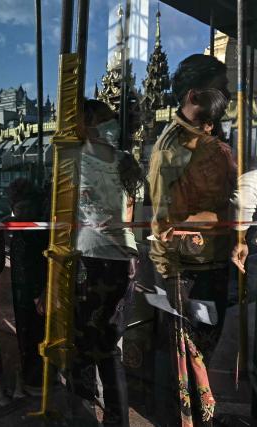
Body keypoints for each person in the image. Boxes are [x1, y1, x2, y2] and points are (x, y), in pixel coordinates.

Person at [148, 54, 232, 426]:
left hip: (210, 264)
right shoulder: (173, 148)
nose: (228, 95)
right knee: (189, 361)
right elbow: (168, 222)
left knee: (200, 358)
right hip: (189, 270)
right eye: (221, 88)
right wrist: (226, 218)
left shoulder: (207, 138)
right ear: (195, 95)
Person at [72, 100, 142, 426]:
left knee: (84, 344)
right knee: (109, 346)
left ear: (86, 123)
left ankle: (83, 412)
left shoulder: (75, 160)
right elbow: (127, 217)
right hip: (122, 259)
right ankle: (116, 419)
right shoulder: (126, 161)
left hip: (90, 258)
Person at [0, 178, 49, 396]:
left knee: (31, 334)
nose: (20, 211)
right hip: (25, 285)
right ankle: (31, 380)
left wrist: (43, 291)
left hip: (31, 286)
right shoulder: (25, 226)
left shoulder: (36, 229)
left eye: (23, 206)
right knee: (29, 334)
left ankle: (33, 382)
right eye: (17, 206)